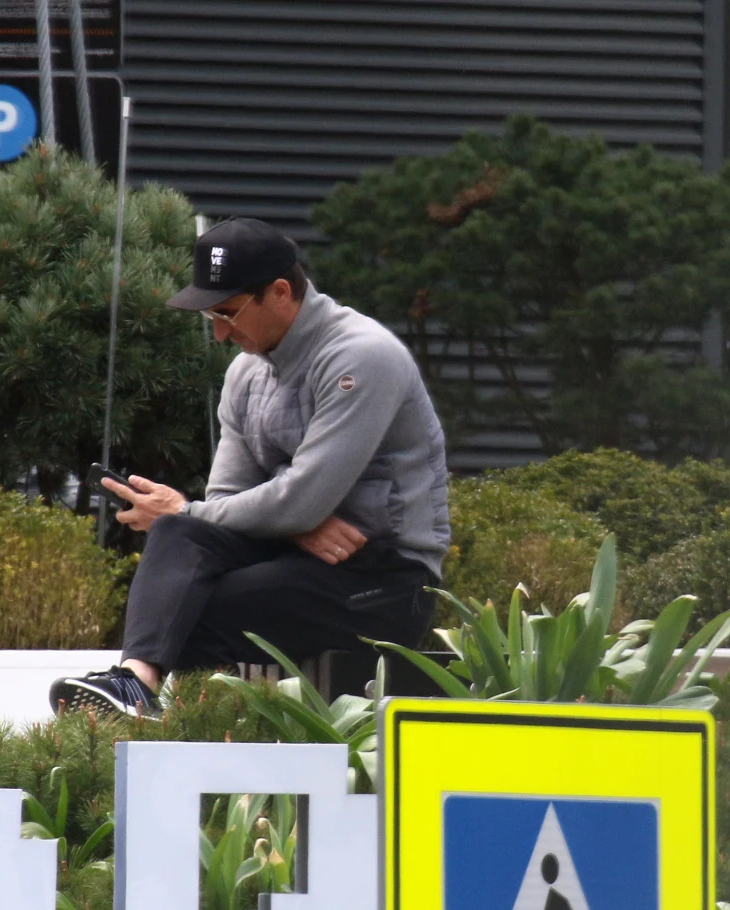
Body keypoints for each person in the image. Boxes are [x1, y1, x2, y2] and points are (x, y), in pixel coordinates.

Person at [49, 217, 451, 717]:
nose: (219, 333)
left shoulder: (361, 357)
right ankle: (135, 684)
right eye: (210, 317)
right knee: (179, 533)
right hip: (298, 562)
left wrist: (263, 514)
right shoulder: (245, 373)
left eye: (228, 313)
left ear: (280, 292)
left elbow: (300, 500)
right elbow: (230, 504)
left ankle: (153, 705)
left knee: (190, 595)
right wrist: (294, 527)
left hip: (387, 580)